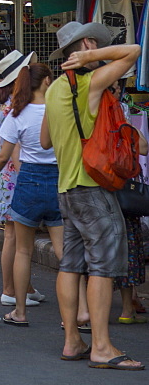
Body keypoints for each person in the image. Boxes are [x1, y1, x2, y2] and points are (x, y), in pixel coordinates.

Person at [42, 20, 143, 369]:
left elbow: (45, 140)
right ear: (86, 46)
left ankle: (73, 341)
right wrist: (93, 59)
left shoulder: (55, 88)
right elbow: (134, 52)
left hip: (66, 188)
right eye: (94, 47)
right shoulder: (89, 83)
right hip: (93, 187)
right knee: (102, 267)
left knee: (70, 265)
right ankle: (101, 346)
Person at [0, 62, 61, 326]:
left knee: (23, 250)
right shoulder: (59, 111)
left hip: (28, 181)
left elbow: (2, 154)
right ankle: (81, 309)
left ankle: (19, 312)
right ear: (47, 82)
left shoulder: (17, 113)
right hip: (58, 179)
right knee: (64, 252)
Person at [0, 49, 43, 308]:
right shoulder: (18, 105)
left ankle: (24, 286)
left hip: (4, 173)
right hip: (18, 173)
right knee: (14, 236)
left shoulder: (1, 105)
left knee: (15, 235)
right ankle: (9, 289)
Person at [110, 79, 148, 325]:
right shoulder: (121, 117)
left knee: (97, 251)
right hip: (122, 192)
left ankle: (88, 311)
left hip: (94, 191)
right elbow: (143, 148)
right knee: (127, 250)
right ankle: (126, 309)